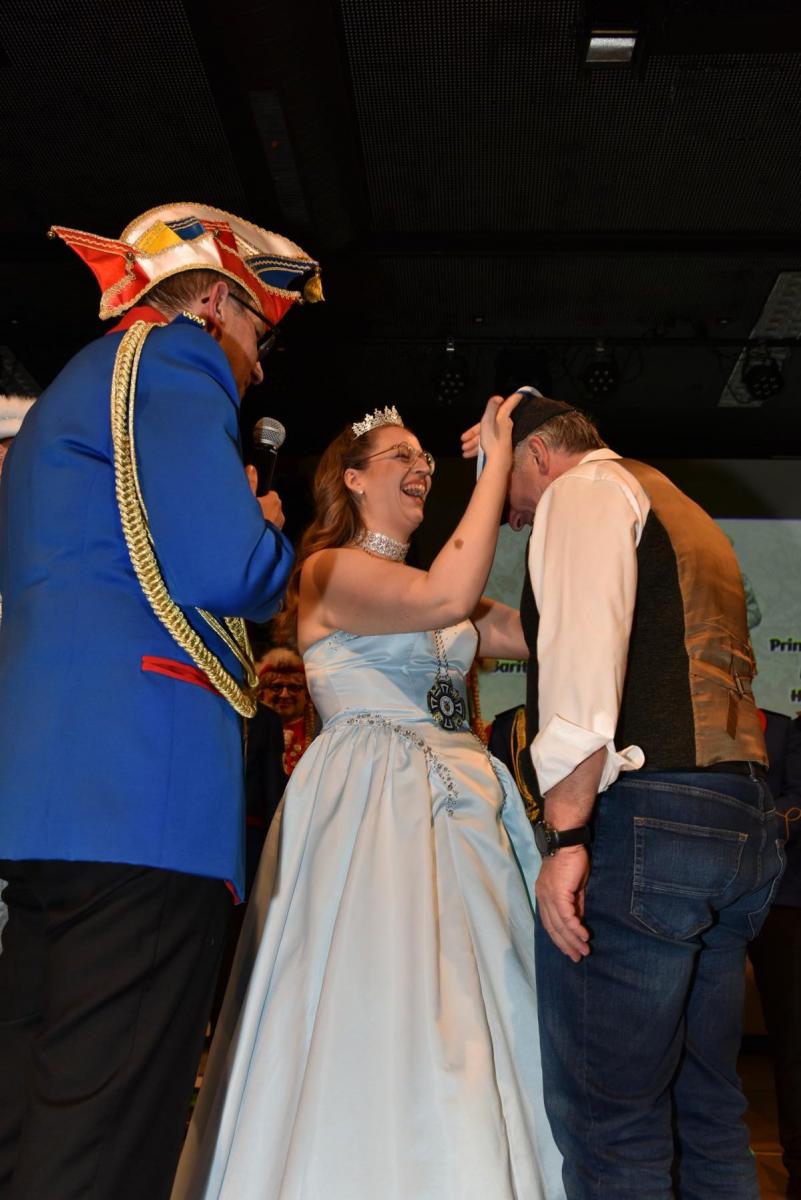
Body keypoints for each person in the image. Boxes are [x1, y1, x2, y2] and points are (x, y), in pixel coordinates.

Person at [0, 203, 321, 1200]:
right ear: (216, 301)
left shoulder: (75, 388)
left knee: (32, 1107)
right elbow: (230, 568)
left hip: (52, 804)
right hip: (147, 797)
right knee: (105, 1133)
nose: (257, 364)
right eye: (259, 331)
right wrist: (268, 534)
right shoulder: (176, 362)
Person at [171, 399, 564, 1199]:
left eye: (425, 455)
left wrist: (549, 494)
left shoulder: (430, 584)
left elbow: (536, 632)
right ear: (351, 480)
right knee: (382, 989)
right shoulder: (327, 572)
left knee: (477, 997)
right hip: (374, 804)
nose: (421, 465)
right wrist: (491, 471)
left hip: (465, 807)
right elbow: (446, 600)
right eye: (400, 456)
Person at [462, 391, 784, 1199]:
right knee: (703, 1109)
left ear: (538, 454)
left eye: (507, 492)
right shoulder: (671, 501)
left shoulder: (581, 492)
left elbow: (580, 676)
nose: (511, 519)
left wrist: (567, 840)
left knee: (611, 1123)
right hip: (736, 815)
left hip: (650, 820)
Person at [749, 709, 801, 1198]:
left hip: (781, 900)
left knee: (793, 1041)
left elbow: (798, 799)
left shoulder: (783, 729)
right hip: (699, 895)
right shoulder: (677, 726)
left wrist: (747, 828)